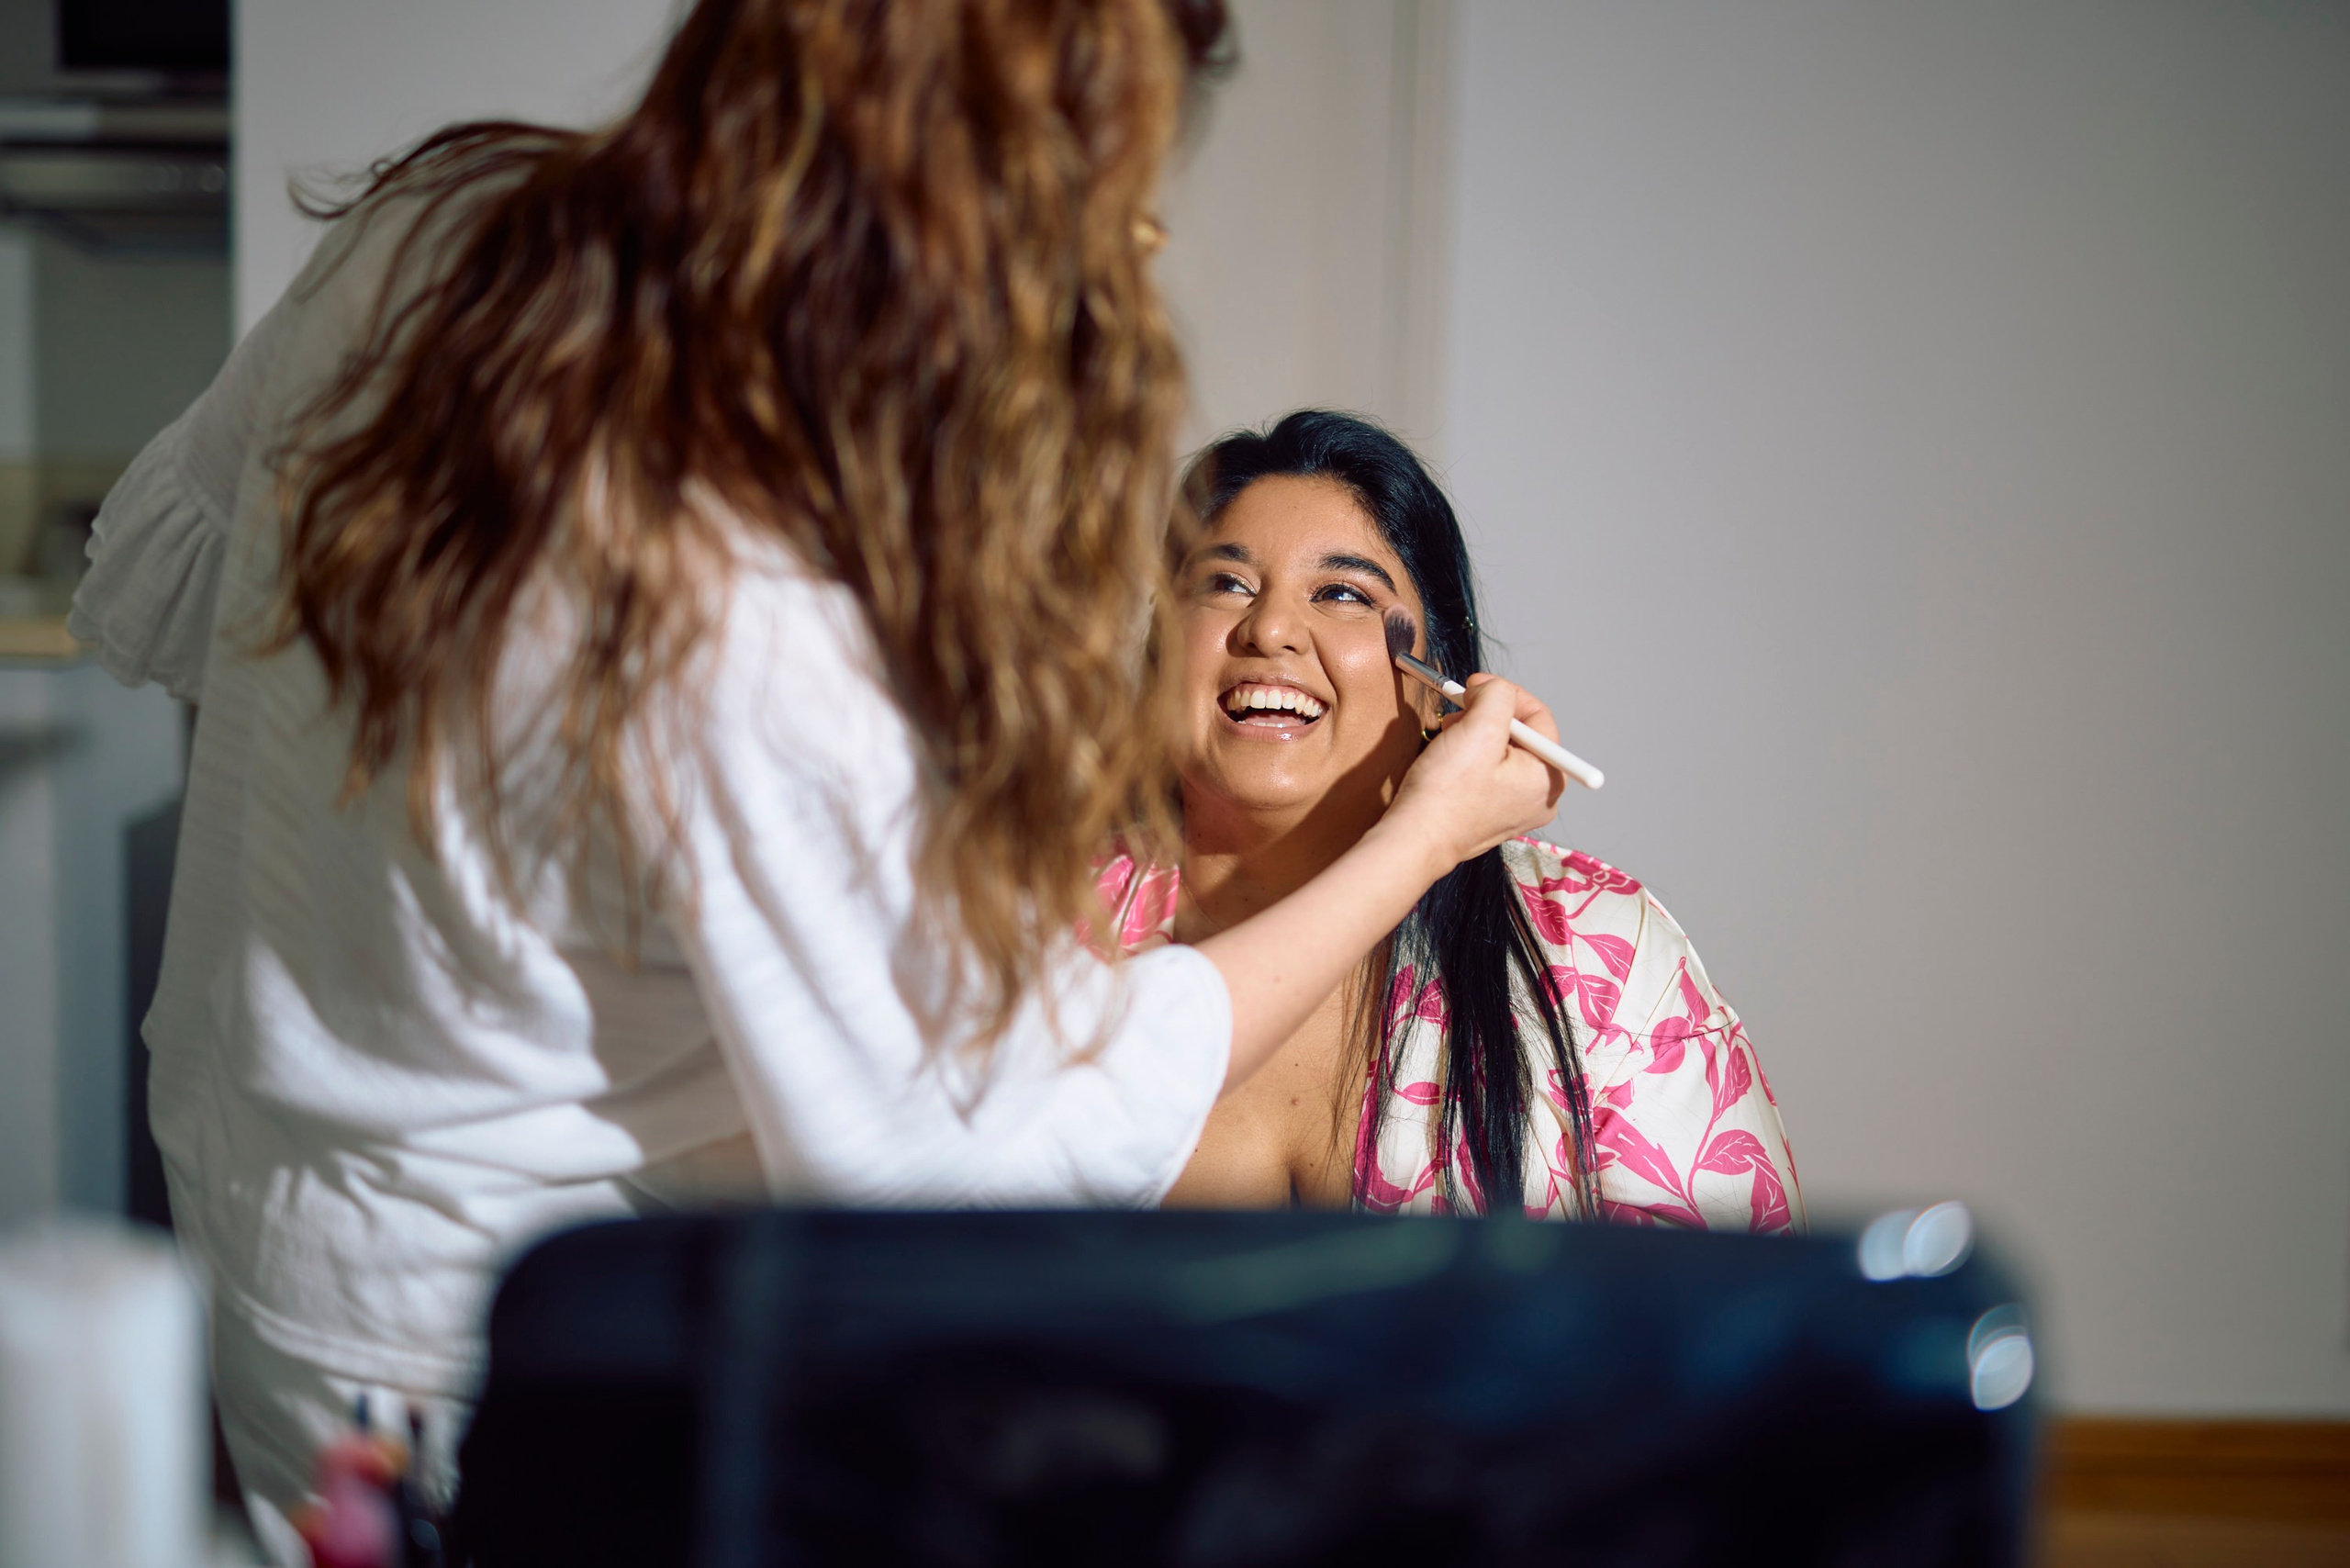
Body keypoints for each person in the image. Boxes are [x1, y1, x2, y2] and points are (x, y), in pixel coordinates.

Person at [66, 6, 1570, 1557]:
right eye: (1096, 171)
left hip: (265, 1250)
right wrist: (1425, 838)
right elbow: (962, 1163)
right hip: (484, 1368)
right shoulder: (752, 577)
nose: (1126, 230)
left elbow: (171, 589)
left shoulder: (439, 230)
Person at [1096, 410, 1803, 1226]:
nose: (1272, 630)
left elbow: (1738, 1332)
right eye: (1225, 584)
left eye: (1342, 593)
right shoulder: (1030, 937)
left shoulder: (1599, 958)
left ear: (1440, 684)